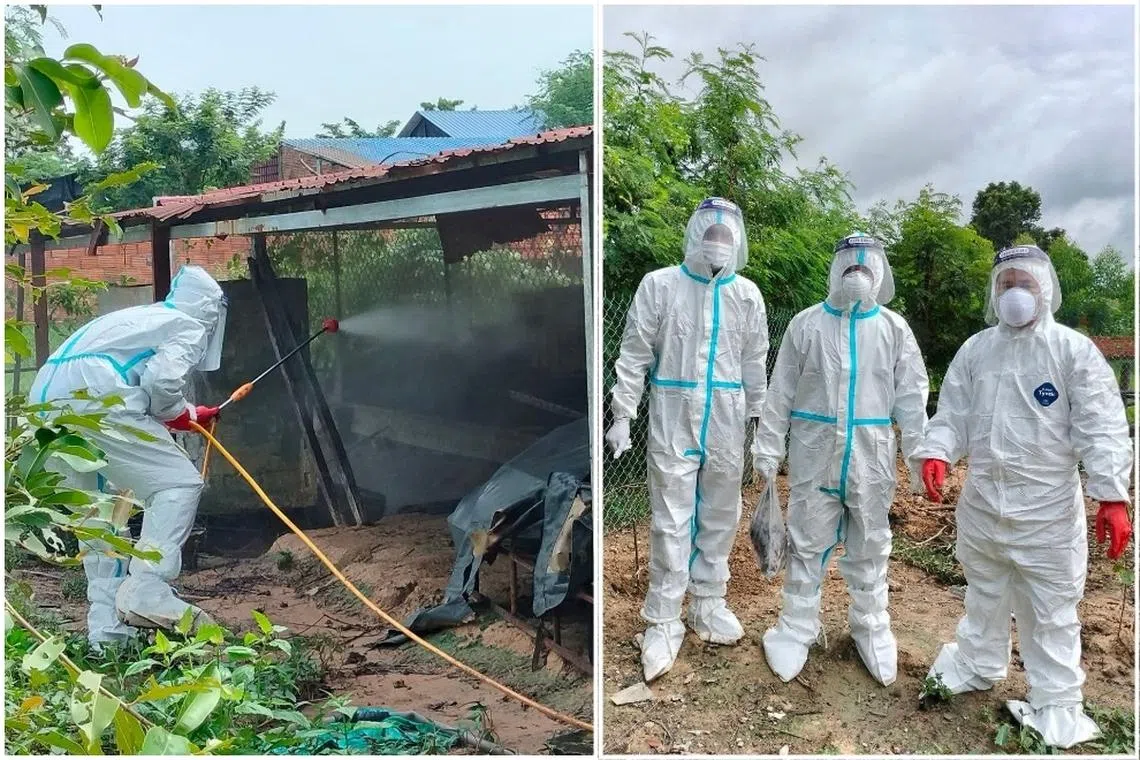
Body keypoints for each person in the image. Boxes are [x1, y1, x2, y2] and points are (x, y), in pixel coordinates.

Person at [916, 243, 1133, 749]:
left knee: (1051, 608)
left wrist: (1112, 495)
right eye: (1005, 284)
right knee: (984, 592)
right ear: (994, 293)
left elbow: (1101, 426)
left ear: (1046, 290)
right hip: (985, 504)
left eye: (1025, 283)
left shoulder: (1072, 351)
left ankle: (1057, 702)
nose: (1015, 294)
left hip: (1048, 514)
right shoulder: (976, 351)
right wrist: (938, 451)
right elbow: (953, 413)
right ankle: (976, 662)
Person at [751, 232, 929, 686]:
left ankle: (871, 628)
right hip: (814, 455)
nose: (857, 275)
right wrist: (768, 448)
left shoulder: (893, 329)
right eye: (850, 266)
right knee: (806, 541)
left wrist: (917, 453)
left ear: (880, 275)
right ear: (835, 271)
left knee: (870, 544)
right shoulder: (806, 325)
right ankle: (795, 628)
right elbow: (781, 391)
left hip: (870, 459)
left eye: (866, 268)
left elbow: (911, 396)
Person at [606, 197, 769, 681]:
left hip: (727, 414)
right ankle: (662, 620)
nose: (718, 243)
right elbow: (634, 352)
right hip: (674, 412)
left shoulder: (748, 296)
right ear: (695, 234)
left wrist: (760, 418)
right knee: (671, 518)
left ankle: (709, 602)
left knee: (721, 513)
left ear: (737, 242)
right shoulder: (660, 286)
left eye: (727, 236)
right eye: (711, 233)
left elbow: (754, 360)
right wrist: (622, 413)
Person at [29, 264, 228, 648]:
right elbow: (161, 382)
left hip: (49, 399)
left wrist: (186, 414)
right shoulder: (188, 325)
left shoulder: (141, 318)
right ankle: (147, 587)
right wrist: (176, 413)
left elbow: (139, 374)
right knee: (179, 484)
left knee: (105, 519)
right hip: (97, 399)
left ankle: (107, 637)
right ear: (210, 311)